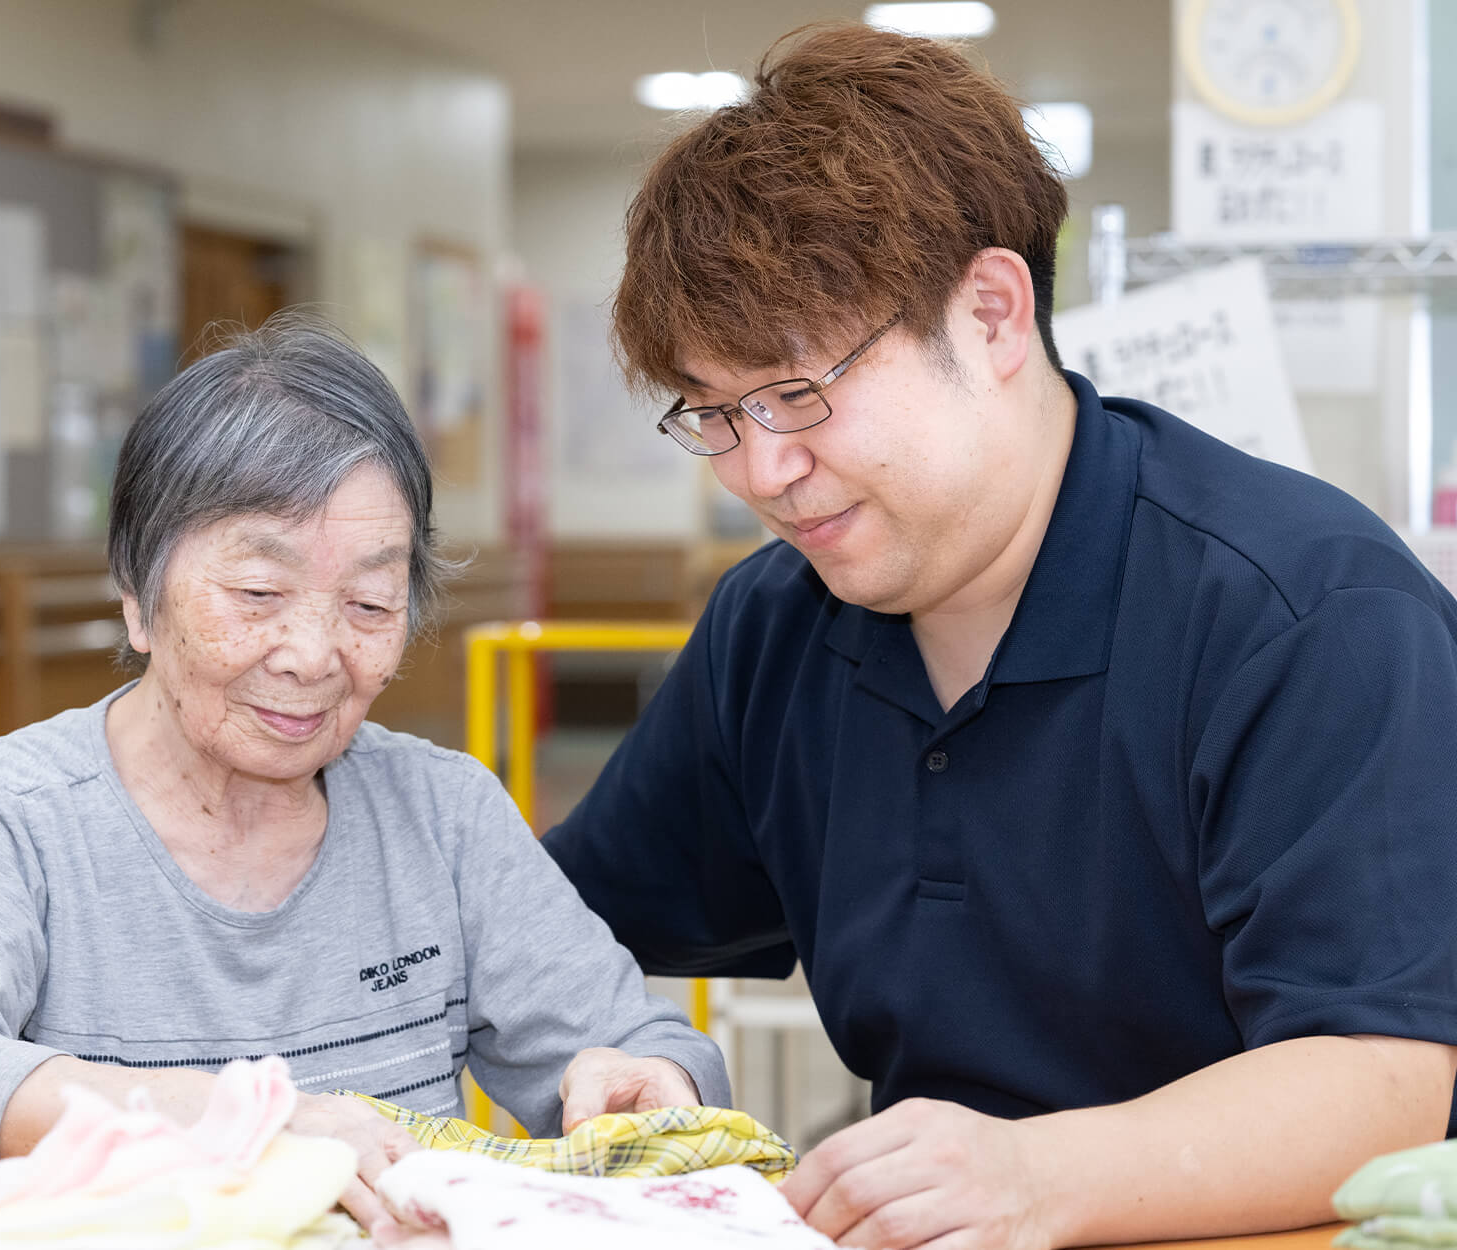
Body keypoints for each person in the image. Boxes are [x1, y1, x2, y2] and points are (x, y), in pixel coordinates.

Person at [543, 21, 1457, 1250]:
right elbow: (566, 909)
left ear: (988, 312)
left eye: (801, 393)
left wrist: (1033, 1174)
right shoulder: (775, 628)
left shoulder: (1301, 614)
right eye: (716, 411)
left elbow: (1384, 1080)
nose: (762, 468)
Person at [0, 316, 728, 1229]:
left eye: (369, 602)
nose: (314, 656)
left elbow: (643, 1044)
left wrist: (641, 1082)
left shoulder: (443, 813)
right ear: (136, 595)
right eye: (259, 595)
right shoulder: (6, 813)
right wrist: (248, 1129)